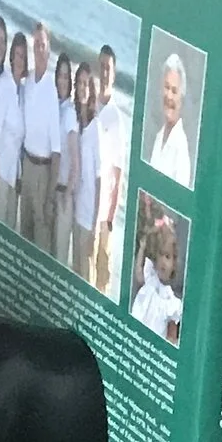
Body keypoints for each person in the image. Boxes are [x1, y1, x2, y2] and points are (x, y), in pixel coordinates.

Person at [17, 24, 60, 244]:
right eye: (36, 45)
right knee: (24, 230)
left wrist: (50, 196)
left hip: (43, 172)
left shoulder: (53, 88)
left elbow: (57, 151)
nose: (39, 49)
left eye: (43, 45)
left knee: (41, 235)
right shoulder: (28, 82)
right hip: (26, 165)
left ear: (49, 49)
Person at [91, 43, 128, 288]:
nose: (104, 72)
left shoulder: (116, 118)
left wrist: (111, 216)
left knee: (102, 270)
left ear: (114, 74)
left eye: (108, 68)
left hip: (104, 209)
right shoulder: (90, 106)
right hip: (87, 200)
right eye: (102, 66)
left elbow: (119, 171)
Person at [0, 25, 28, 222]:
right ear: (12, 56)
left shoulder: (24, 91)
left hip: (15, 169)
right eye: (17, 55)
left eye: (23, 56)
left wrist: (20, 174)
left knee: (11, 219)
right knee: (0, 216)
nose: (20, 60)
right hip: (1, 165)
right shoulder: (5, 83)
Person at [67, 63, 101, 282]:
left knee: (86, 279)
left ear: (91, 90)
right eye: (79, 83)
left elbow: (100, 181)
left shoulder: (96, 128)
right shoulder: (76, 124)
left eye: (86, 84)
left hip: (89, 219)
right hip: (76, 213)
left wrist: (95, 229)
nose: (82, 88)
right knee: (75, 273)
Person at [130, 211, 182, 340]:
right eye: (161, 255)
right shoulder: (150, 279)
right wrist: (142, 249)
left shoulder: (171, 303)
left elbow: (172, 337)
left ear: (174, 263)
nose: (163, 261)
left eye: (168, 257)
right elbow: (138, 274)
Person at [148, 47, 194, 185]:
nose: (169, 96)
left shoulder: (180, 148)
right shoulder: (159, 137)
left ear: (181, 97)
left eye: (174, 91)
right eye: (166, 87)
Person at [46, 52, 76, 261]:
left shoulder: (70, 113)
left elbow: (75, 160)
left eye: (66, 77)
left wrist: (67, 194)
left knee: (59, 256)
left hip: (63, 192)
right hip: (49, 189)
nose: (63, 81)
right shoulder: (52, 106)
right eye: (60, 76)